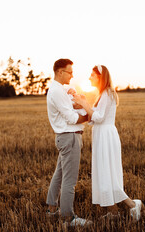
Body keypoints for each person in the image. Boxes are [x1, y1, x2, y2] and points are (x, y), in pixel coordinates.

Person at [72, 65, 142, 221]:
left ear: (100, 77)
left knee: (107, 173)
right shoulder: (102, 94)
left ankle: (133, 205)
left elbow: (98, 117)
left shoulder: (108, 93)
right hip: (102, 135)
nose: (89, 78)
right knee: (104, 172)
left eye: (92, 75)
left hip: (106, 136)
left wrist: (85, 104)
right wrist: (80, 103)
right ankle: (113, 211)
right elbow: (92, 115)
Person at [45, 59, 93, 227]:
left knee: (59, 174)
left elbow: (66, 93)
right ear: (60, 72)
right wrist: (90, 115)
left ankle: (51, 210)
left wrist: (71, 92)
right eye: (70, 72)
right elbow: (72, 118)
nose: (72, 75)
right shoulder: (57, 92)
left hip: (64, 137)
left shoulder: (58, 89)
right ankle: (68, 218)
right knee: (69, 180)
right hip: (70, 137)